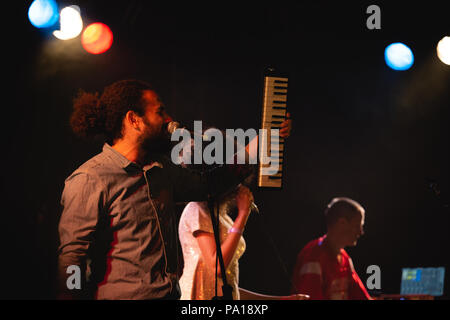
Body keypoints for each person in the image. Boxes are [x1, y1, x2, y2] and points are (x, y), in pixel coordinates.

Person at [57, 79, 253, 300]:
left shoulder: (161, 170)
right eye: (160, 111)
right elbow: (73, 257)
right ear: (134, 120)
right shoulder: (90, 178)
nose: (168, 119)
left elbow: (208, 186)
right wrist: (70, 294)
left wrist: (254, 152)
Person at [178, 123, 309, 300]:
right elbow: (217, 266)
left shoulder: (220, 216)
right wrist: (242, 215)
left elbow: (230, 289)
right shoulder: (197, 210)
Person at [291, 197, 372, 300]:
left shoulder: (345, 259)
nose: (361, 232)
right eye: (357, 226)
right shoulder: (313, 257)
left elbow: (362, 297)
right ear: (342, 223)